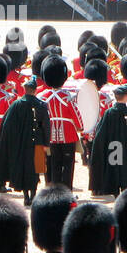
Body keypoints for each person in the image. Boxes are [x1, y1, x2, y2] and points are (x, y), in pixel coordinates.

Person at [0, 75, 50, 205]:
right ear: (35, 90)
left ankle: (26, 196)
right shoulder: (42, 105)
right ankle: (33, 195)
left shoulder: (16, 105)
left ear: (25, 90)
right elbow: (45, 126)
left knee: (24, 168)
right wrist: (46, 143)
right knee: (36, 169)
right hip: (38, 142)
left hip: (22, 143)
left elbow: (8, 125)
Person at [90, 85, 127, 199]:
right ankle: (125, 190)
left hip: (113, 146)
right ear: (126, 97)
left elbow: (101, 132)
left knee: (114, 169)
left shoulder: (108, 113)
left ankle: (115, 190)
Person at [42, 56, 81, 191]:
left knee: (54, 164)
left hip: (51, 135)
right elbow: (76, 114)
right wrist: (80, 127)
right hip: (68, 134)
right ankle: (67, 191)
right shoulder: (68, 96)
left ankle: (55, 191)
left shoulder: (43, 97)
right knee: (68, 166)